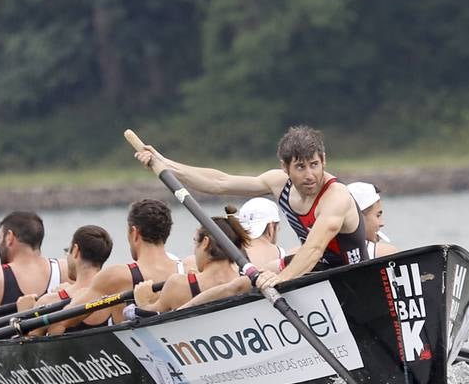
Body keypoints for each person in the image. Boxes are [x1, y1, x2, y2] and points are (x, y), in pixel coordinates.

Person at [133, 125, 366, 292]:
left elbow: (314, 248)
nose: (309, 175)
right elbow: (219, 183)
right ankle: (158, 313)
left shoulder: (336, 196)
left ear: (323, 160)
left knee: (266, 278)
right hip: (320, 267)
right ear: (285, 167)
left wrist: (280, 281)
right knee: (244, 282)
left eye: (314, 165)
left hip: (355, 276)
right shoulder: (278, 182)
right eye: (300, 167)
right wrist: (165, 163)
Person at [74, 199, 185, 324]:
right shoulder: (188, 269)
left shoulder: (117, 275)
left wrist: (74, 296)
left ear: (134, 232)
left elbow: (64, 321)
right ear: (167, 231)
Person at [134, 209, 250, 313]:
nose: (194, 250)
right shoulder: (248, 281)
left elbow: (152, 316)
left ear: (205, 242)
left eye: (195, 242)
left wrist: (143, 301)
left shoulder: (178, 284)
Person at [17, 225, 114, 334]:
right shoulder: (117, 300)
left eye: (68, 251)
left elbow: (28, 349)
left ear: (76, 251)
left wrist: (24, 314)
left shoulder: (51, 302)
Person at [347, 182, 399, 258]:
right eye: (378, 215)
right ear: (357, 217)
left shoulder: (328, 248)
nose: (382, 223)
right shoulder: (386, 253)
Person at [237, 196, 287, 273]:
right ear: (271, 226)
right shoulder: (280, 253)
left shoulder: (232, 252)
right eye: (277, 226)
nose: (279, 229)